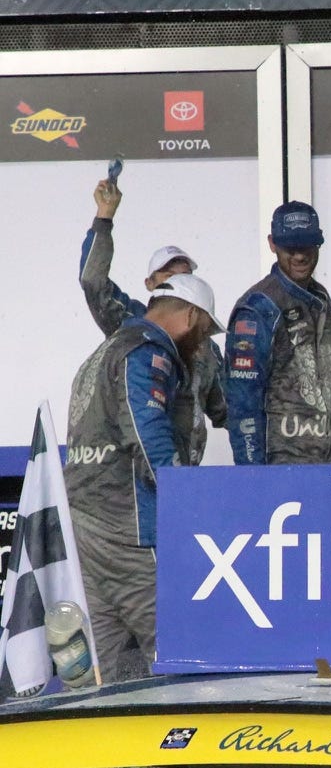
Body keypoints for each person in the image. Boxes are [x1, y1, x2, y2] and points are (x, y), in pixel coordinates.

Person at [65, 273, 224, 680]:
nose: (203, 343)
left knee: (103, 666)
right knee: (180, 649)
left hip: (84, 525)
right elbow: (146, 432)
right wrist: (184, 501)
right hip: (130, 527)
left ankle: (99, 738)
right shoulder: (148, 350)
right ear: (190, 315)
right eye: (205, 331)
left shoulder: (104, 350)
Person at [79, 179, 226, 465]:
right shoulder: (131, 325)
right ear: (151, 285)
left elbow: (230, 408)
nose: (180, 283)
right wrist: (104, 217)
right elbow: (93, 281)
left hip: (184, 472)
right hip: (146, 473)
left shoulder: (207, 348)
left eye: (187, 277)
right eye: (169, 276)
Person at [223, 201, 331, 464]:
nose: (300, 256)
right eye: (290, 247)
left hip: (330, 461)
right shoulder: (259, 307)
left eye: (307, 245)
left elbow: (328, 381)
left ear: (319, 242)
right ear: (272, 244)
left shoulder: (321, 296)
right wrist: (253, 473)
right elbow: (242, 400)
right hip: (283, 462)